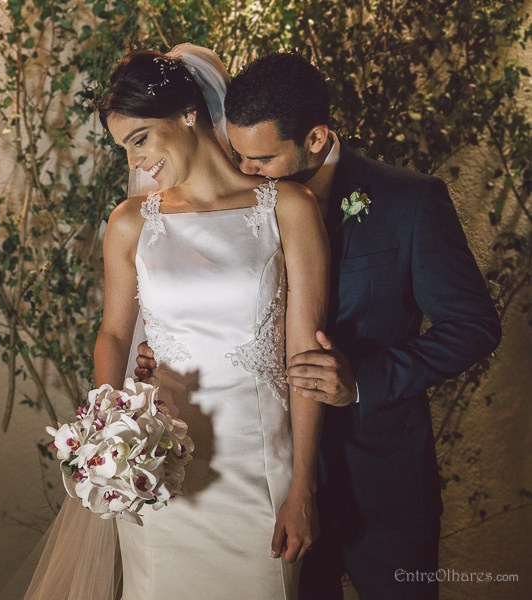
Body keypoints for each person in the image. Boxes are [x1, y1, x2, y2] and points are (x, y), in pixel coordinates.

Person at [135, 52, 501, 599]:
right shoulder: (237, 202)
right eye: (238, 154)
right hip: (266, 483)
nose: (245, 171)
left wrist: (364, 382)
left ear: (316, 137)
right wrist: (168, 352)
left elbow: (473, 326)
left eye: (261, 158)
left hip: (380, 482)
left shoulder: (411, 201)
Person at [95, 47, 329, 599]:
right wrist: (109, 435)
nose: (135, 163)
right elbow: (113, 334)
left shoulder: (288, 208)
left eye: (140, 139)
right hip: (161, 472)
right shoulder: (130, 224)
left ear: (188, 114)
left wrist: (302, 487)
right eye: (125, 149)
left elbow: (305, 358)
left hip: (259, 472)